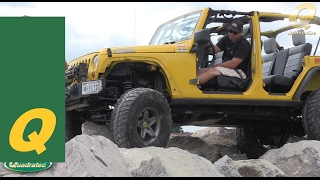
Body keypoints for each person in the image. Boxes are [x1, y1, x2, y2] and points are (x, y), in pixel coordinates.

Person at [197, 20, 251, 85]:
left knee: (212, 71)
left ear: (241, 32)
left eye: (235, 32)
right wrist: (206, 39)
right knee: (199, 71)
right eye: (230, 31)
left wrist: (216, 65)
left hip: (239, 71)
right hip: (227, 69)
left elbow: (233, 64)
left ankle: (190, 86)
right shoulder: (227, 38)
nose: (231, 34)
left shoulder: (244, 44)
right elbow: (214, 50)